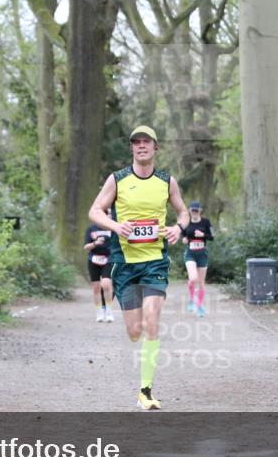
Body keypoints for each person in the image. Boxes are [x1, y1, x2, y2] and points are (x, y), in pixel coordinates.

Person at [89, 125, 190, 410]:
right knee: (135, 331)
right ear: (132, 149)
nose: (142, 146)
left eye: (147, 142)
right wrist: (115, 226)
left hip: (155, 261)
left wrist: (178, 228)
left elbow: (182, 211)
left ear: (156, 148)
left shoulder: (166, 181)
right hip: (124, 264)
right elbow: (95, 211)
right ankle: (138, 349)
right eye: (137, 143)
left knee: (152, 319)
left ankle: (145, 391)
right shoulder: (117, 179)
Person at [182, 201, 214, 317]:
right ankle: (191, 299)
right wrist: (184, 239)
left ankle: (199, 306)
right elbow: (183, 235)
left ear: (200, 211)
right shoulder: (186, 222)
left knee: (201, 283)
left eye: (196, 210)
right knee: (192, 279)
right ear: (189, 211)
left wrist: (203, 235)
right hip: (190, 253)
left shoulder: (206, 222)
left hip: (202, 254)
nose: (194, 212)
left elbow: (212, 236)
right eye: (192, 210)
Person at [83, 220, 115, 323]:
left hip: (108, 259)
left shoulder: (113, 228)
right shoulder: (91, 229)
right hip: (93, 260)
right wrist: (95, 243)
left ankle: (109, 310)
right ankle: (99, 311)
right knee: (96, 288)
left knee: (106, 284)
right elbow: (86, 247)